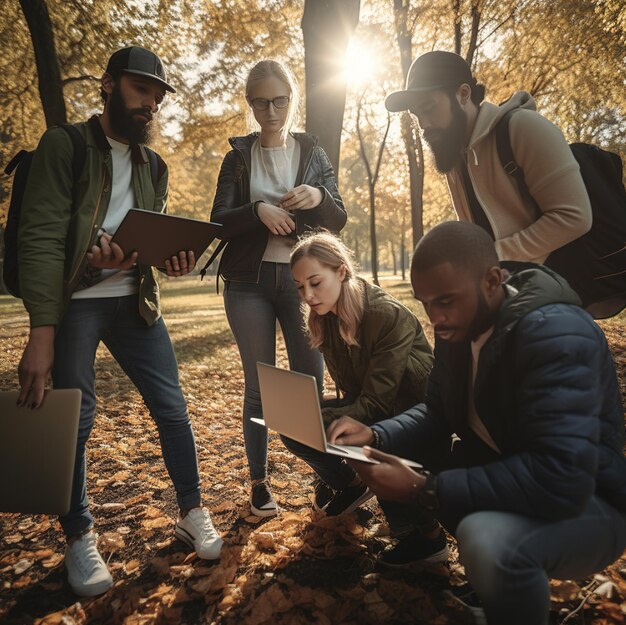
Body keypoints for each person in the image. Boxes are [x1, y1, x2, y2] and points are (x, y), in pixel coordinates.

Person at [327, 221, 626, 625]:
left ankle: (508, 582)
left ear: (492, 280)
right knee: (441, 471)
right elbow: (436, 411)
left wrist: (425, 489)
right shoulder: (460, 327)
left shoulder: (555, 335)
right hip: (514, 477)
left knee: (487, 540)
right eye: (426, 303)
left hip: (589, 505)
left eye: (446, 300)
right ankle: (497, 591)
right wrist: (377, 433)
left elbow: (562, 477)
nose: (436, 318)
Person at [16, 46, 223, 598]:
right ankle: (79, 534)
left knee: (174, 408)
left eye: (157, 95)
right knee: (75, 423)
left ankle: (192, 511)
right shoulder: (64, 146)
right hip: (76, 307)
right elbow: (39, 238)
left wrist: (167, 260)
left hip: (136, 305)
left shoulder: (155, 166)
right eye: (140, 90)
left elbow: (144, 239)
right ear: (107, 85)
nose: (150, 103)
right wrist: (43, 328)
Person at [210, 60, 346, 517]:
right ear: (250, 104)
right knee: (259, 386)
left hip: (300, 283)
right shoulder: (237, 157)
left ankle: (326, 480)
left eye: (280, 100)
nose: (271, 110)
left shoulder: (313, 154)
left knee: (310, 382)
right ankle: (259, 485)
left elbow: (339, 217)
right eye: (261, 102)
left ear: (292, 99)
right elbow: (218, 222)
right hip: (248, 284)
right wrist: (258, 211)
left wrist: (319, 198)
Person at [287, 232, 437, 559]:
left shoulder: (384, 314)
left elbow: (378, 402)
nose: (308, 296)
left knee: (354, 434)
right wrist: (303, 417)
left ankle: (424, 538)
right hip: (377, 403)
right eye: (300, 287)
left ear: (341, 271)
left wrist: (321, 419)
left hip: (415, 410)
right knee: (293, 428)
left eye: (315, 282)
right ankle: (350, 484)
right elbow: (356, 391)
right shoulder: (322, 318)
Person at [385, 51, 592, 276]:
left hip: (560, 286)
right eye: (416, 115)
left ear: (463, 94)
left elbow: (574, 217)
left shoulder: (523, 128)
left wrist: (492, 256)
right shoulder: (454, 155)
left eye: (429, 108)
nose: (424, 123)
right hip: (508, 288)